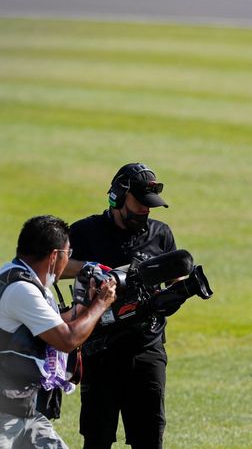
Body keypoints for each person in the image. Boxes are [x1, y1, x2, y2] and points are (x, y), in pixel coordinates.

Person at [63, 163, 176, 449]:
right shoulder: (85, 232)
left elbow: (175, 279)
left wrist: (175, 293)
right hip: (99, 351)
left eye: (150, 205)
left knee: (149, 440)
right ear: (117, 197)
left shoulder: (161, 234)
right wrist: (92, 269)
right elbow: (53, 267)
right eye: (139, 203)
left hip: (147, 351)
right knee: (97, 440)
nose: (146, 210)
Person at [1, 215, 117, 448]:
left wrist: (84, 306)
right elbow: (67, 339)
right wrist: (100, 305)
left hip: (24, 412)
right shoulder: (22, 290)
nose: (68, 261)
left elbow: (54, 325)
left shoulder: (22, 278)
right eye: (68, 254)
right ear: (55, 256)